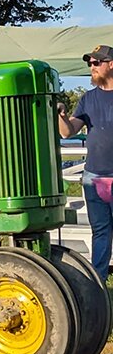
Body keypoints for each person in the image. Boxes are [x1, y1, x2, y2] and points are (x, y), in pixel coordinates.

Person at [59, 44, 113, 279]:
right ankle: (98, 284)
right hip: (94, 178)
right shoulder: (87, 99)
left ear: (111, 64)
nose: (92, 67)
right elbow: (67, 132)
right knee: (100, 232)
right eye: (89, 63)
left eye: (96, 63)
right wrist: (60, 115)